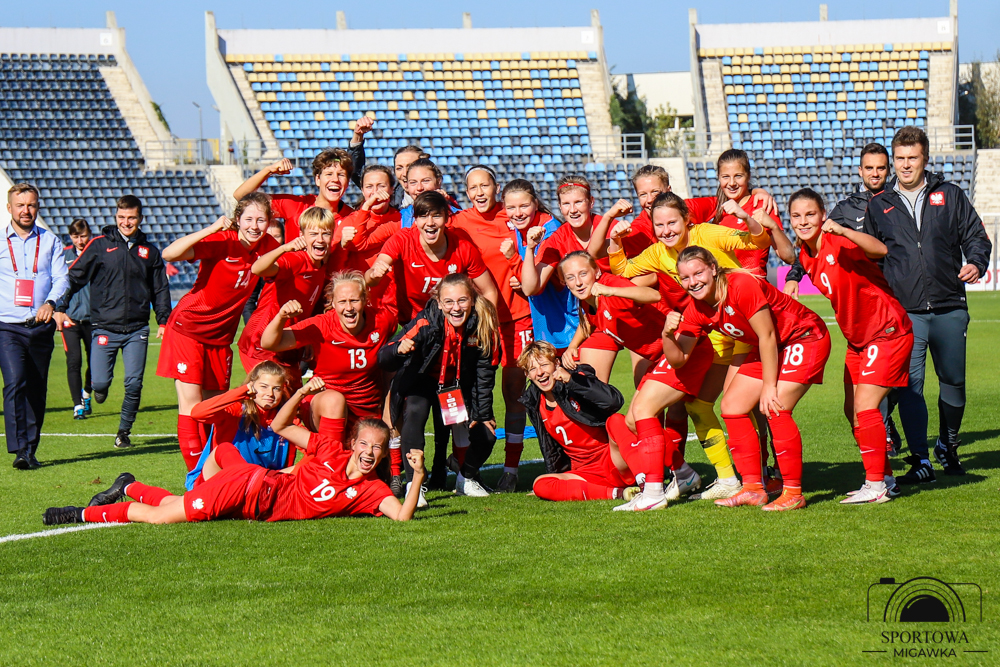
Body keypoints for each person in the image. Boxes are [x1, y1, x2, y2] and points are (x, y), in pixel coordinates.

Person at [43, 378, 426, 526]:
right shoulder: (329, 449)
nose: (368, 453)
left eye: (376, 449)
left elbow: (402, 516)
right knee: (160, 519)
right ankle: (78, 514)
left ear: (381, 455)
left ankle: (128, 486)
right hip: (247, 487)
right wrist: (298, 393)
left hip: (250, 496)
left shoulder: (372, 491)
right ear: (352, 443)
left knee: (176, 504)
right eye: (363, 444)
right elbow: (281, 426)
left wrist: (419, 475)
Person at [604, 192, 776, 500]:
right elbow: (624, 270)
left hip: (745, 328)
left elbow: (757, 241)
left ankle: (759, 475)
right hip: (715, 333)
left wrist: (747, 218)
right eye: (659, 225)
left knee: (738, 407)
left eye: (672, 222)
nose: (666, 230)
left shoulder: (707, 234)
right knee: (699, 406)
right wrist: (615, 241)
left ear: (687, 220)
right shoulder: (658, 252)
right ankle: (729, 479)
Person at [863, 126, 992, 482]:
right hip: (907, 313)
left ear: (925, 159)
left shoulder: (950, 195)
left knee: (954, 384)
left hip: (950, 306)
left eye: (913, 158)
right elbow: (871, 259)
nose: (905, 165)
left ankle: (947, 445)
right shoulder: (880, 205)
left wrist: (976, 262)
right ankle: (921, 459)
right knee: (910, 386)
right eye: (900, 159)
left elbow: (976, 236)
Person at [668, 246, 830, 511]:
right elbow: (678, 358)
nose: (692, 282)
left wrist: (769, 386)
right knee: (732, 407)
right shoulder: (695, 308)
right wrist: (666, 334)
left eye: (698, 273)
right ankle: (753, 488)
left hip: (803, 336)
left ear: (713, 268)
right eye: (685, 277)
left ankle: (793, 493)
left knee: (775, 406)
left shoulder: (740, 285)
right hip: (770, 346)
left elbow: (767, 334)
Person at [790, 188, 913, 503]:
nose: (803, 221)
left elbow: (880, 250)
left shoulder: (838, 240)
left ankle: (875, 486)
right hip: (858, 340)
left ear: (823, 215)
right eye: (796, 216)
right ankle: (886, 478)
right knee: (853, 412)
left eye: (810, 214)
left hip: (886, 330)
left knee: (866, 407)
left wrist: (845, 230)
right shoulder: (805, 254)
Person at [159, 193, 281, 470]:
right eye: (248, 219)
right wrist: (211, 228)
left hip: (221, 338)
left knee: (215, 409)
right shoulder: (222, 240)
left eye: (261, 220)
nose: (254, 226)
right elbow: (169, 254)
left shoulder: (269, 246)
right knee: (192, 407)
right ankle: (196, 478)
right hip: (188, 329)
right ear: (238, 219)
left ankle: (212, 470)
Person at [54, 195, 172, 449]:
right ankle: (99, 389)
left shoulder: (150, 252)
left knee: (134, 383)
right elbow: (74, 278)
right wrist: (60, 307)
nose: (126, 222)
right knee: (98, 384)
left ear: (140, 218)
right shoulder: (99, 246)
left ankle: (123, 432)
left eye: (131, 218)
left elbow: (160, 289)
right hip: (104, 328)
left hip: (137, 329)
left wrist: (163, 320)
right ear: (115, 216)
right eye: (121, 217)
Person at [377, 273, 501, 502]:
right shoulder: (426, 321)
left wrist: (483, 414)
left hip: (458, 385)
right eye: (449, 302)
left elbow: (486, 372)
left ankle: (466, 478)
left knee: (486, 433)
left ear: (472, 299)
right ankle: (414, 486)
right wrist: (398, 350)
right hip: (422, 381)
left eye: (462, 300)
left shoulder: (484, 324)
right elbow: (383, 357)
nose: (456, 308)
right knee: (414, 413)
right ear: (439, 303)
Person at [450, 165, 531, 492]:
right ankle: (463, 467)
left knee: (514, 393)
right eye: (473, 187)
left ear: (496, 187)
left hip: (517, 317)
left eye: (485, 185)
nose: (479, 192)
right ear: (466, 192)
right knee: (466, 395)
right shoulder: (458, 222)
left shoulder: (513, 214)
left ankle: (511, 470)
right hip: (477, 324)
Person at [260, 271, 396, 460]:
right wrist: (281, 317)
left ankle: (397, 468)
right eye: (342, 302)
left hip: (368, 410)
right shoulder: (322, 325)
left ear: (365, 300)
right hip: (327, 406)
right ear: (332, 303)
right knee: (334, 400)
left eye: (354, 300)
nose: (349, 308)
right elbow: (268, 343)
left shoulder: (382, 321)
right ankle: (329, 464)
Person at [519, 341, 641, 502]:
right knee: (540, 484)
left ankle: (647, 482)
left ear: (556, 364)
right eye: (532, 369)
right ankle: (616, 493)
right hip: (584, 473)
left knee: (616, 420)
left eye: (544, 365)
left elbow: (614, 402)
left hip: (614, 461)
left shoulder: (575, 378)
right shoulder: (533, 402)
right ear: (527, 374)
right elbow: (550, 450)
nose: (540, 372)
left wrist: (572, 381)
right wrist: (556, 481)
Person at [0, 183, 67, 470]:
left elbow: (62, 278)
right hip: (7, 327)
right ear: (9, 208)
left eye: (31, 205)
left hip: (40, 327)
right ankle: (19, 448)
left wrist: (51, 302)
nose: (26, 210)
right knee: (15, 381)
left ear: (37, 207)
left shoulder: (50, 241)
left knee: (36, 389)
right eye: (20, 205)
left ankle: (29, 449)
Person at [237, 206, 337, 380]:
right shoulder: (296, 259)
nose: (320, 239)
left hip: (287, 343)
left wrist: (306, 339)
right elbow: (257, 269)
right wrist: (283, 249)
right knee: (269, 394)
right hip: (261, 344)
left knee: (293, 396)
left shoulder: (321, 265)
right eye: (313, 234)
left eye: (326, 234)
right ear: (302, 235)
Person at [783, 143, 891, 298]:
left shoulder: (899, 200)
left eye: (880, 168)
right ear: (860, 171)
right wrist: (793, 276)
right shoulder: (845, 208)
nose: (875, 173)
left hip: (904, 286)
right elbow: (816, 242)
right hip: (870, 290)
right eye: (869, 168)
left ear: (888, 170)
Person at [234, 124, 368, 240]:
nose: (335, 179)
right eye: (329, 174)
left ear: (348, 182)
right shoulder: (296, 205)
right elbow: (242, 197)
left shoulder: (352, 218)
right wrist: (268, 170)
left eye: (341, 175)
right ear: (317, 179)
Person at [185, 360, 295, 490]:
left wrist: (300, 395)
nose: (270, 394)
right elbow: (197, 413)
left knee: (310, 464)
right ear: (252, 385)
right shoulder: (237, 410)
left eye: (276, 389)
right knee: (225, 449)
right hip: (218, 483)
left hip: (262, 485)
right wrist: (241, 392)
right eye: (264, 386)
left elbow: (310, 447)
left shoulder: (285, 417)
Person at [503, 179, 578, 351]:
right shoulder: (521, 227)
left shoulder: (549, 232)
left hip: (566, 324)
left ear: (536, 204)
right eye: (511, 207)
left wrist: (514, 261)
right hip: (548, 322)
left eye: (524, 206)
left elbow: (533, 286)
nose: (518, 213)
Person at [709, 149, 795, 274]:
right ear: (718, 177)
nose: (732, 183)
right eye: (725, 177)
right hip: (723, 285)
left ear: (748, 176)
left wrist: (773, 227)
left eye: (738, 176)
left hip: (753, 284)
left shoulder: (762, 205)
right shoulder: (715, 209)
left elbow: (790, 257)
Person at [59, 219, 94, 420]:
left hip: (94, 319)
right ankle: (77, 405)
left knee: (95, 363)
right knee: (74, 362)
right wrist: (59, 310)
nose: (80, 241)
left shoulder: (98, 255)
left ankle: (87, 393)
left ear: (89, 235)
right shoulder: (63, 256)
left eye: (83, 236)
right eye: (75, 236)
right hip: (69, 319)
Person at [242, 218, 285, 325]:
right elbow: (249, 301)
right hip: (264, 320)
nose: (273, 240)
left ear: (284, 238)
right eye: (269, 236)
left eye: (277, 236)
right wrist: (252, 325)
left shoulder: (292, 259)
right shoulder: (256, 264)